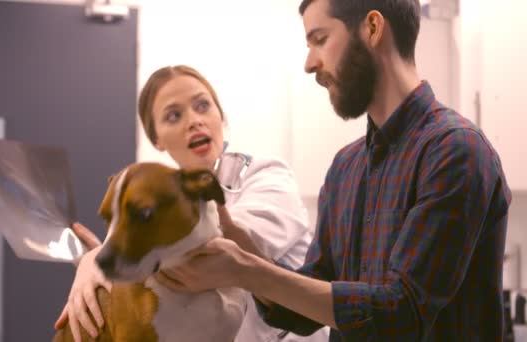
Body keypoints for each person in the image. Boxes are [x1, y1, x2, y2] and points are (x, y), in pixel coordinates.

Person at [154, 0, 512, 341]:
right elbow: (303, 310)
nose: (310, 64)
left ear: (372, 28)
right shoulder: (346, 167)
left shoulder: (455, 151)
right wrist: (240, 249)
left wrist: (245, 270)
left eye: (320, 40)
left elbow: (401, 314)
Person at [54, 65, 330, 342]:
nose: (194, 121)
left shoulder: (267, 175)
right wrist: (103, 261)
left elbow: (210, 251)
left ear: (220, 117)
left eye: (202, 106)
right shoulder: (163, 203)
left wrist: (102, 259)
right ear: (156, 139)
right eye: (174, 115)